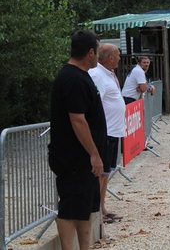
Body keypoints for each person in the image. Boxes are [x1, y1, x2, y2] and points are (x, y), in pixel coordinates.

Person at [48, 30, 106, 250]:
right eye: (98, 51)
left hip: (83, 160)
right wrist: (94, 153)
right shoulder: (72, 79)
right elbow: (77, 120)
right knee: (70, 208)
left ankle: (85, 247)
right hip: (74, 158)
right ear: (90, 52)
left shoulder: (80, 76)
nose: (98, 56)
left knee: (84, 208)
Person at [89, 44, 126, 224]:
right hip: (106, 131)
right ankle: (96, 210)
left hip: (113, 130)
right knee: (101, 173)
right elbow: (96, 104)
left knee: (106, 172)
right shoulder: (97, 75)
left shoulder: (108, 74)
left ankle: (102, 207)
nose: (120, 58)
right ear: (110, 57)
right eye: (118, 55)